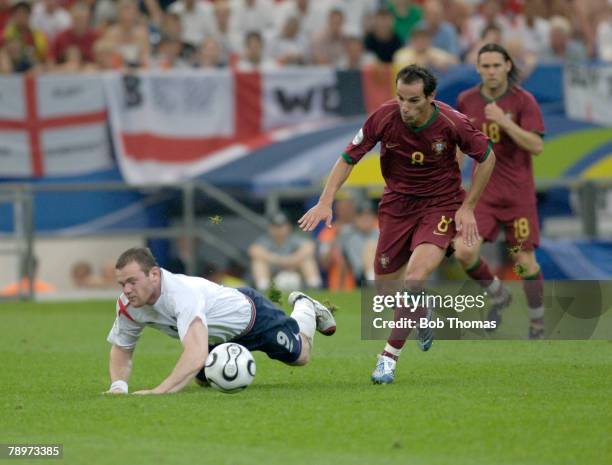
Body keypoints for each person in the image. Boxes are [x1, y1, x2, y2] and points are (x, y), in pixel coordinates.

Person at [299, 64, 496, 384]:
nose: (406, 107)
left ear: (431, 97)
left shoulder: (452, 122)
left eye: (414, 100)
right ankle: (420, 311)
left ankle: (388, 358)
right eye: (401, 98)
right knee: (386, 289)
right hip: (396, 206)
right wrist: (325, 201)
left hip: (440, 205)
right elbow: (349, 157)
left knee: (415, 278)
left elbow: (487, 155)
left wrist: (469, 206)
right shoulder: (383, 116)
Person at [105, 247, 336, 395]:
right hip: (215, 338)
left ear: (154, 274)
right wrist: (118, 387)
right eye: (122, 284)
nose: (127, 290)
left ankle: (305, 306)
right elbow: (122, 347)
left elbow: (196, 354)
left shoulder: (180, 294)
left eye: (132, 282)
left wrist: (160, 391)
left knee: (301, 356)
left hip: (254, 319)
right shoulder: (128, 305)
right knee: (204, 381)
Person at [455, 43, 546, 339]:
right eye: (486, 66)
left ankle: (537, 323)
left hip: (518, 197)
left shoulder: (524, 101)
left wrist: (505, 122)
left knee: (522, 262)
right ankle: (497, 295)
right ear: (478, 68)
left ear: (508, 66)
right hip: (483, 196)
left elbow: (537, 146)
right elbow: (459, 144)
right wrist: (453, 177)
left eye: (497, 65)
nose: (492, 71)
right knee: (465, 252)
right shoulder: (467, 100)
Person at [249, 211, 322, 292]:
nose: (279, 230)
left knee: (308, 261)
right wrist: (278, 260)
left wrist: (292, 260)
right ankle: (263, 288)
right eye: (275, 226)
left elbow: (310, 247)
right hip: (273, 272)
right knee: (258, 262)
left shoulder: (294, 238)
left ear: (288, 226)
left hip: (293, 269)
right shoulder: (266, 239)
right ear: (270, 228)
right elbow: (254, 250)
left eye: (281, 226)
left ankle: (314, 286)